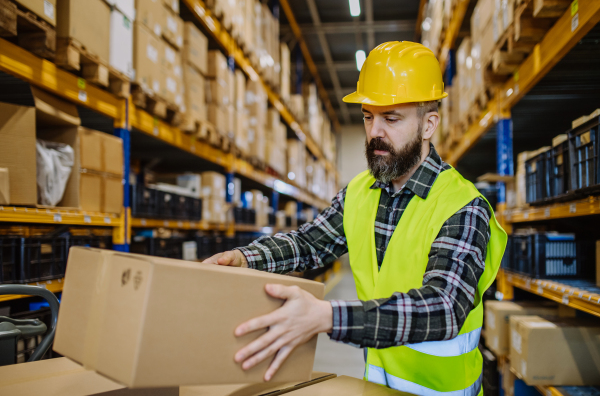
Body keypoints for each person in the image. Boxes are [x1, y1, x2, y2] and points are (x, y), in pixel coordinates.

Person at [203, 41, 507, 395]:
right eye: (367, 116)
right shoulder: (361, 192)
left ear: (428, 125)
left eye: (391, 118)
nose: (375, 131)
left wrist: (327, 316)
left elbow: (444, 307)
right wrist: (244, 259)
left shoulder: (463, 206)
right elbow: (308, 243)